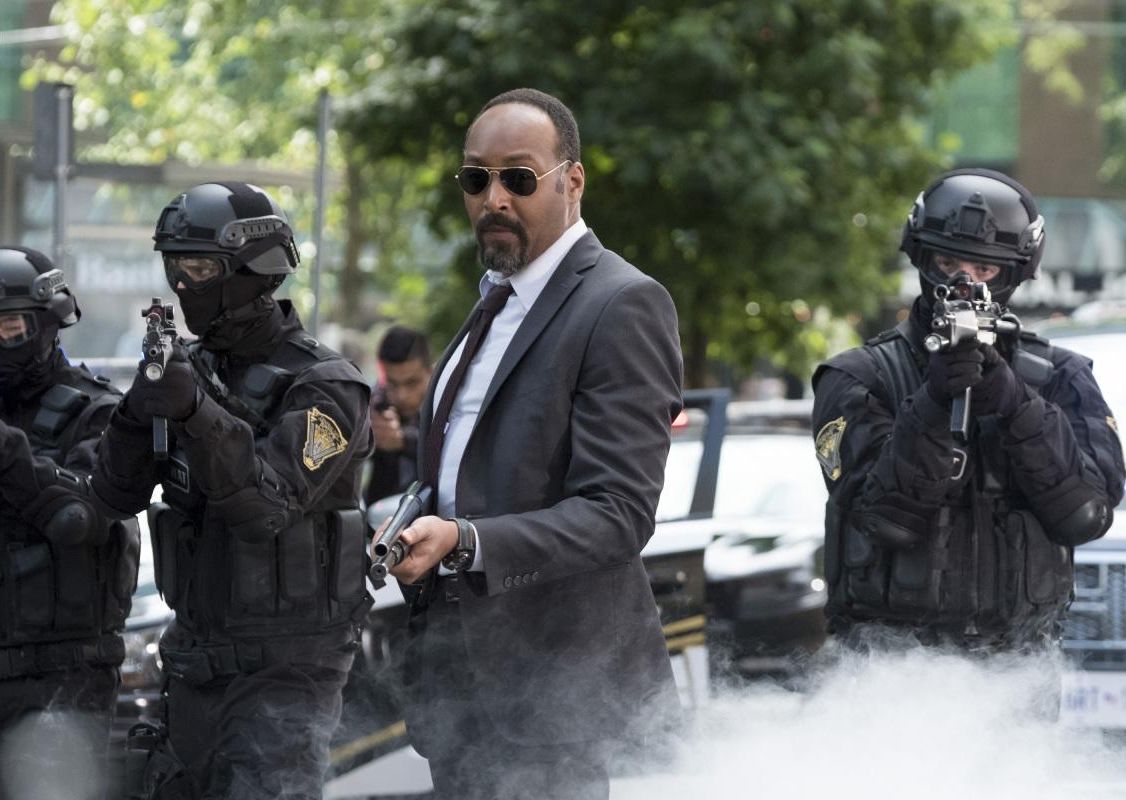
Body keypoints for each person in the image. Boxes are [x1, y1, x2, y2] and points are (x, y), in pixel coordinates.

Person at [376, 88, 684, 800]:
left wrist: (465, 541)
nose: (494, 199)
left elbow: (617, 514)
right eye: (475, 178)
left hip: (557, 706)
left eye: (518, 178)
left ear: (572, 182)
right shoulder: (495, 299)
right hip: (459, 693)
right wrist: (406, 522)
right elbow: (466, 473)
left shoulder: (622, 303)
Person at [90, 182, 373, 799]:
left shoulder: (325, 385)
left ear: (253, 270)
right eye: (174, 267)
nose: (182, 284)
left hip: (284, 681)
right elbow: (111, 495)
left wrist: (195, 411)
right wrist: (140, 408)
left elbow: (265, 509)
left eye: (199, 268)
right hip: (192, 667)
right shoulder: (190, 366)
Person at [812, 168, 1125, 654]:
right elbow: (886, 520)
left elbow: (1086, 515)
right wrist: (933, 404)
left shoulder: (1060, 376)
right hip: (891, 663)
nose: (964, 283)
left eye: (984, 270)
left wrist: (1017, 403)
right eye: (948, 262)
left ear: (1014, 273)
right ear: (922, 258)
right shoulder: (860, 377)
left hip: (1018, 665)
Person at [0, 247, 139, 799]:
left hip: (60, 677)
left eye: (8, 326)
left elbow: (82, 515)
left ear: (49, 323)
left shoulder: (98, 411)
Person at [363, 324, 431, 506]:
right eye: (392, 384)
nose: (402, 395)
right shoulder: (375, 404)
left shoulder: (445, 405)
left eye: (412, 383)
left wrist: (402, 440)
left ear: (430, 371)